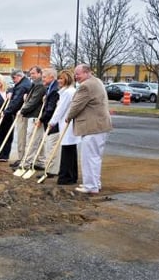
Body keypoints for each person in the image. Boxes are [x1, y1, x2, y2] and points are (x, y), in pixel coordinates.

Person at [66, 64, 113, 194]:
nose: (76, 77)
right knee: (95, 157)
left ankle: (90, 186)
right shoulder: (97, 81)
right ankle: (94, 183)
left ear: (87, 73)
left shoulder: (86, 86)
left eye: (78, 74)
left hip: (92, 127)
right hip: (100, 125)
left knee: (89, 157)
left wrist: (68, 117)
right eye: (75, 74)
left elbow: (77, 105)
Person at [48, 70, 80, 185]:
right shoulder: (67, 91)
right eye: (59, 78)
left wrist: (52, 122)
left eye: (62, 78)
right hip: (66, 124)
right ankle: (71, 176)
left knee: (67, 150)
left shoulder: (68, 92)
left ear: (68, 79)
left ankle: (65, 176)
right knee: (70, 150)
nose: (59, 81)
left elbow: (60, 110)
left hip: (67, 124)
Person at [19, 66, 46, 170]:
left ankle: (26, 163)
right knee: (39, 140)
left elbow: (33, 101)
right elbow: (31, 98)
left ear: (39, 73)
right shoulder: (35, 84)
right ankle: (41, 161)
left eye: (33, 73)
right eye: (30, 73)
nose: (31, 75)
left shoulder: (39, 85)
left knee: (32, 140)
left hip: (36, 116)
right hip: (35, 115)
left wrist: (22, 110)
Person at [36, 68, 60, 178]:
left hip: (54, 123)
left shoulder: (54, 90)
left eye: (44, 77)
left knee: (52, 146)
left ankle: (51, 170)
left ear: (52, 77)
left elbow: (50, 110)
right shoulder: (50, 88)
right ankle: (50, 168)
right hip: (50, 122)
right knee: (50, 146)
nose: (42, 79)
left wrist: (41, 119)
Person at [5, 70, 31, 165]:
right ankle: (22, 158)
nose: (13, 80)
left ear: (18, 76)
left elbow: (16, 102)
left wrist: (6, 112)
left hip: (22, 114)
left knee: (21, 137)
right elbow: (12, 88)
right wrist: (10, 91)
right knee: (23, 137)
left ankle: (22, 159)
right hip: (23, 113)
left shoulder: (23, 86)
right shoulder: (24, 83)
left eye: (14, 78)